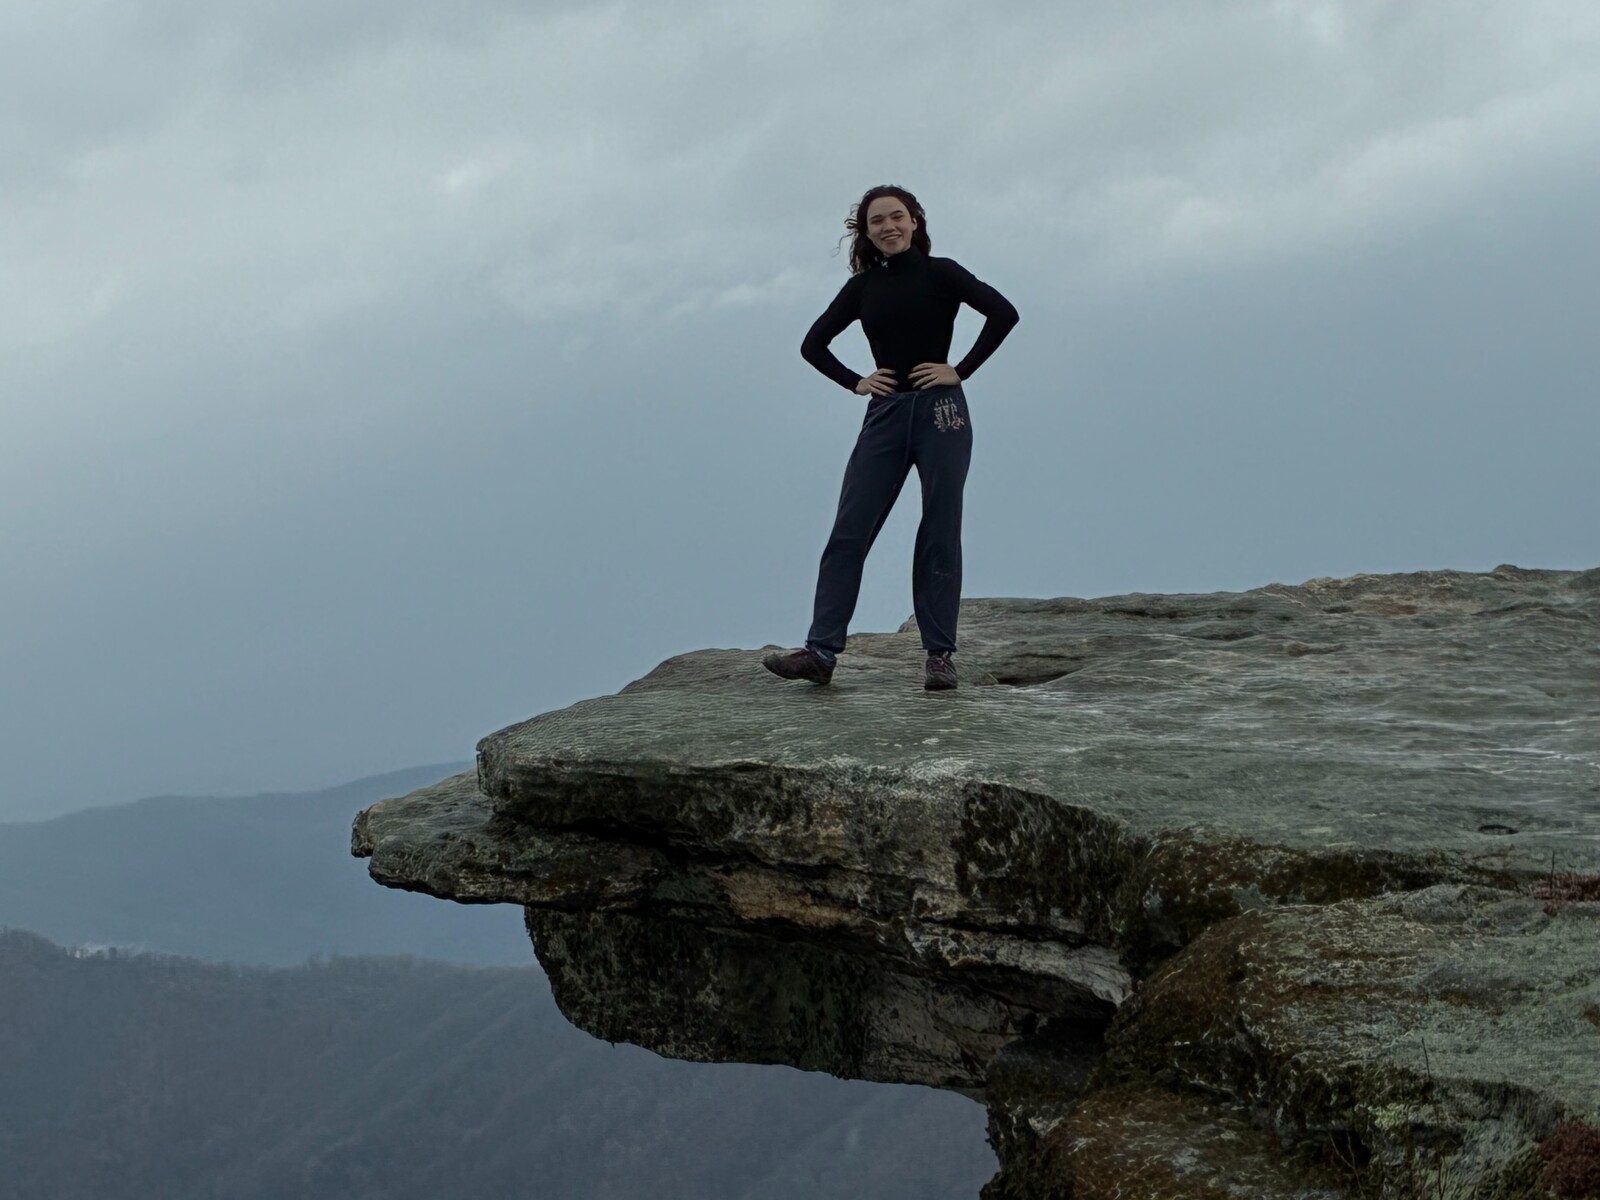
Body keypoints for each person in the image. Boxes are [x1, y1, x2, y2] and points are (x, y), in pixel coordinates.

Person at [763, 185, 1019, 691]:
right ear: (867, 232)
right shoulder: (862, 288)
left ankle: (939, 657)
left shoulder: (942, 273)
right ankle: (820, 652)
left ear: (915, 221)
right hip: (885, 414)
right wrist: (856, 381)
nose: (888, 227)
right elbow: (813, 345)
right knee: (849, 530)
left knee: (940, 528)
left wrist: (960, 369)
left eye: (896, 216)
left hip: (942, 413)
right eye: (876, 221)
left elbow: (1004, 313)